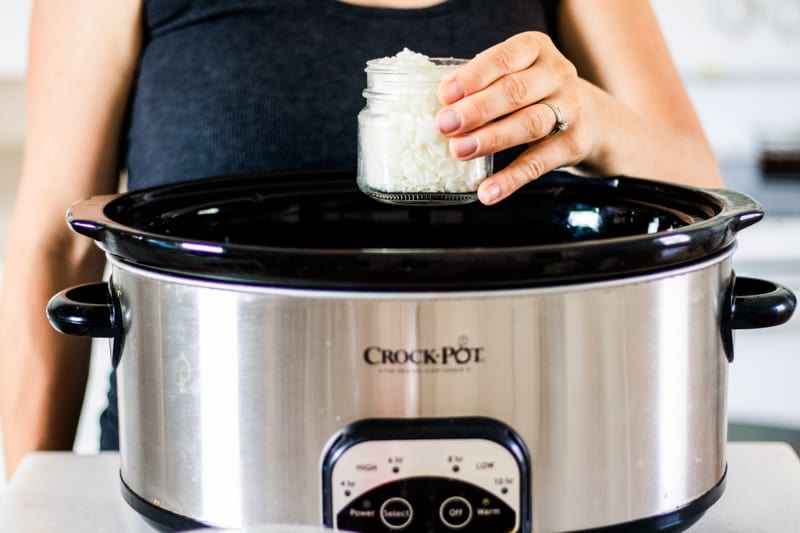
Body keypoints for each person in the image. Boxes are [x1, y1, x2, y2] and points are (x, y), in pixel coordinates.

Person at [0, 0, 723, 479]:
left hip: (526, 456)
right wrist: (19, 500)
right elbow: (53, 244)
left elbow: (701, 189)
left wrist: (593, 120)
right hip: (205, 463)